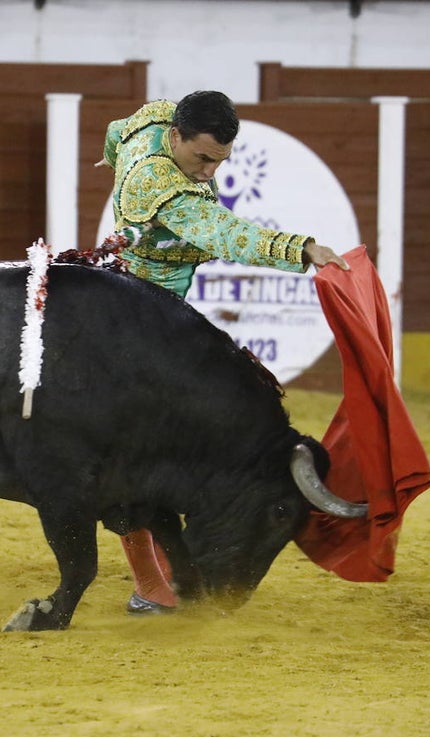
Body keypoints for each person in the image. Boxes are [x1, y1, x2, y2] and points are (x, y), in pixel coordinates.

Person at [98, 90, 349, 614]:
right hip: (137, 318)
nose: (210, 173)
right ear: (175, 140)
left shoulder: (157, 116)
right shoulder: (157, 183)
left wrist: (109, 155)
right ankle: (150, 584)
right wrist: (298, 249)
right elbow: (222, 231)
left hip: (155, 308)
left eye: (219, 161)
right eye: (202, 159)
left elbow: (117, 128)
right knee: (139, 446)